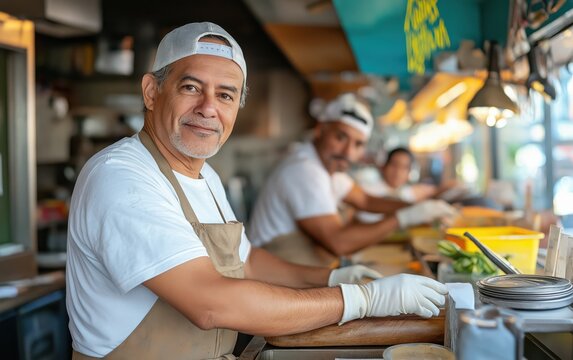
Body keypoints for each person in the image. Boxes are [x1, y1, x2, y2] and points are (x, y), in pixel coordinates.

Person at [66, 22, 449, 359]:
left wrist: (331, 279)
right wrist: (363, 300)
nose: (208, 108)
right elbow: (209, 304)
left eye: (226, 95)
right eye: (191, 87)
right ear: (151, 92)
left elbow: (249, 262)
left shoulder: (206, 176)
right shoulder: (121, 177)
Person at [247, 93, 458, 266]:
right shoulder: (305, 170)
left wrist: (421, 208)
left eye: (358, 144)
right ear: (321, 130)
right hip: (271, 277)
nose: (348, 152)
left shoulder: (329, 168)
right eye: (341, 137)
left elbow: (366, 201)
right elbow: (338, 242)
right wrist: (404, 217)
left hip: (298, 271)